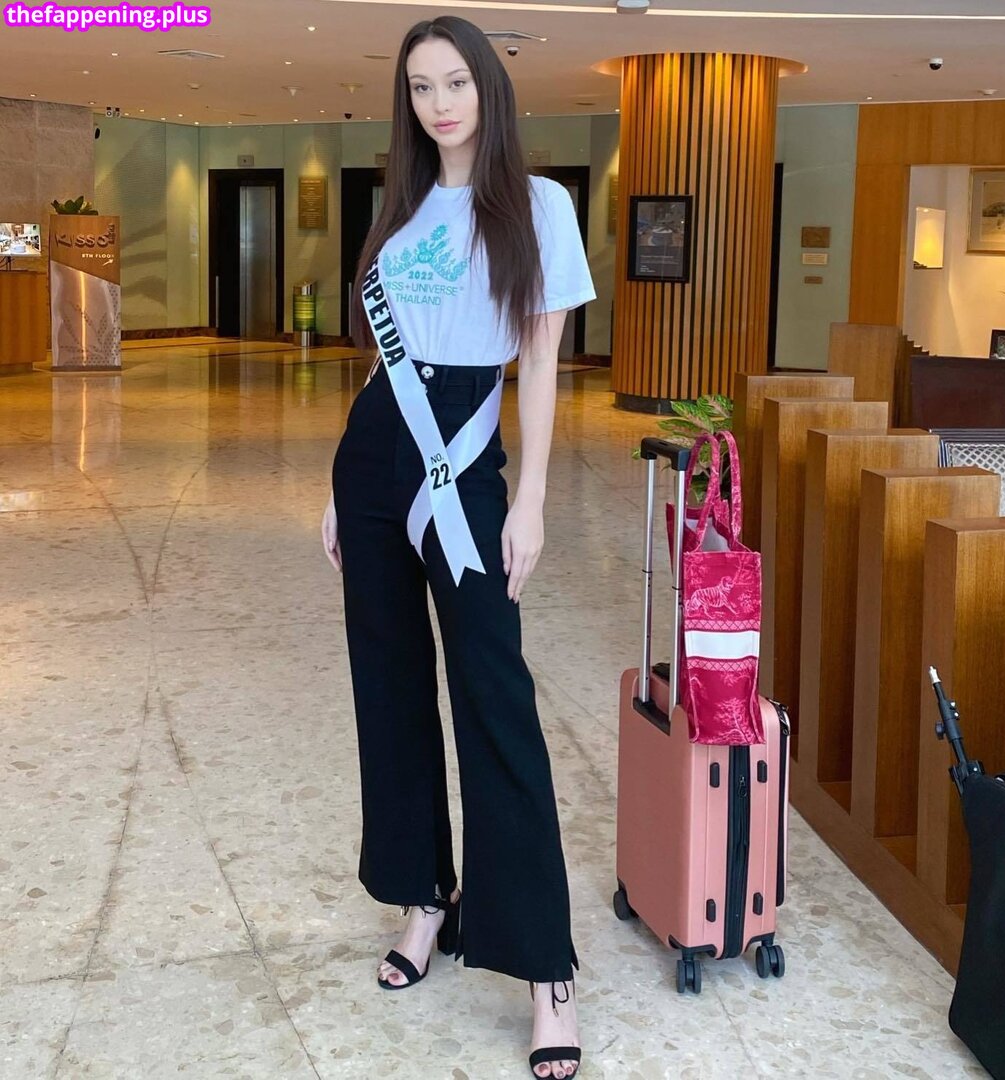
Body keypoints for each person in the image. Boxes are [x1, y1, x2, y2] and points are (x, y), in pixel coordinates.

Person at [320, 15, 595, 1079]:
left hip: (465, 466)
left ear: (488, 87)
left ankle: (543, 969)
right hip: (375, 457)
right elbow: (381, 366)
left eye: (455, 83)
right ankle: (422, 898)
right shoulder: (400, 206)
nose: (439, 104)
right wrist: (341, 487)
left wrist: (529, 501)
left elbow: (539, 364)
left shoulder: (538, 206)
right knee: (387, 688)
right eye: (421, 87)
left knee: (494, 697)